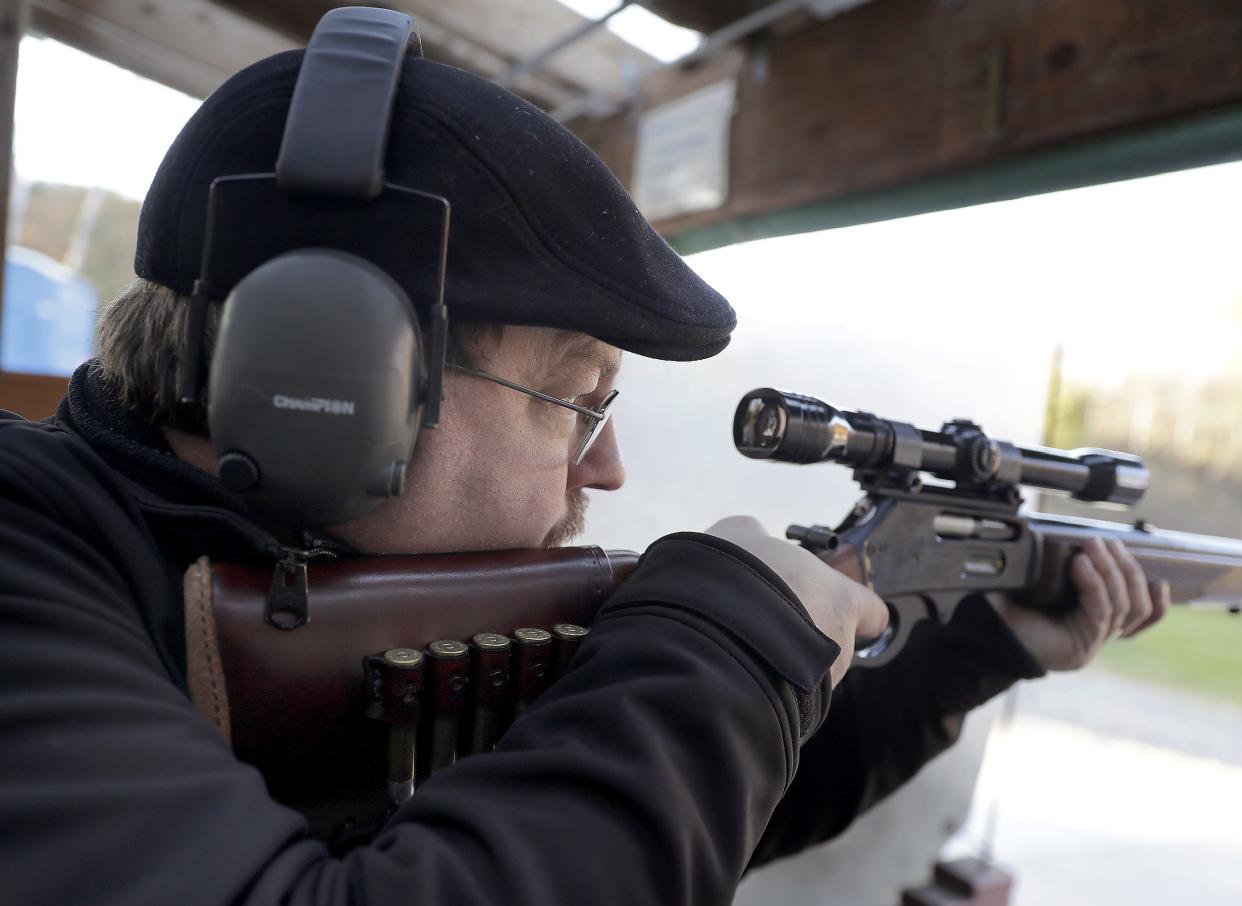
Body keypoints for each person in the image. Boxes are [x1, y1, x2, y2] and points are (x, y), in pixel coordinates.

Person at [0, 12, 1167, 906]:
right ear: (332, 387)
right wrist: (710, 648)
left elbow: (660, 811)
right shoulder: (24, 565)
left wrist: (976, 650)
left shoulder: (329, 602)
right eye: (574, 402)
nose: (603, 472)